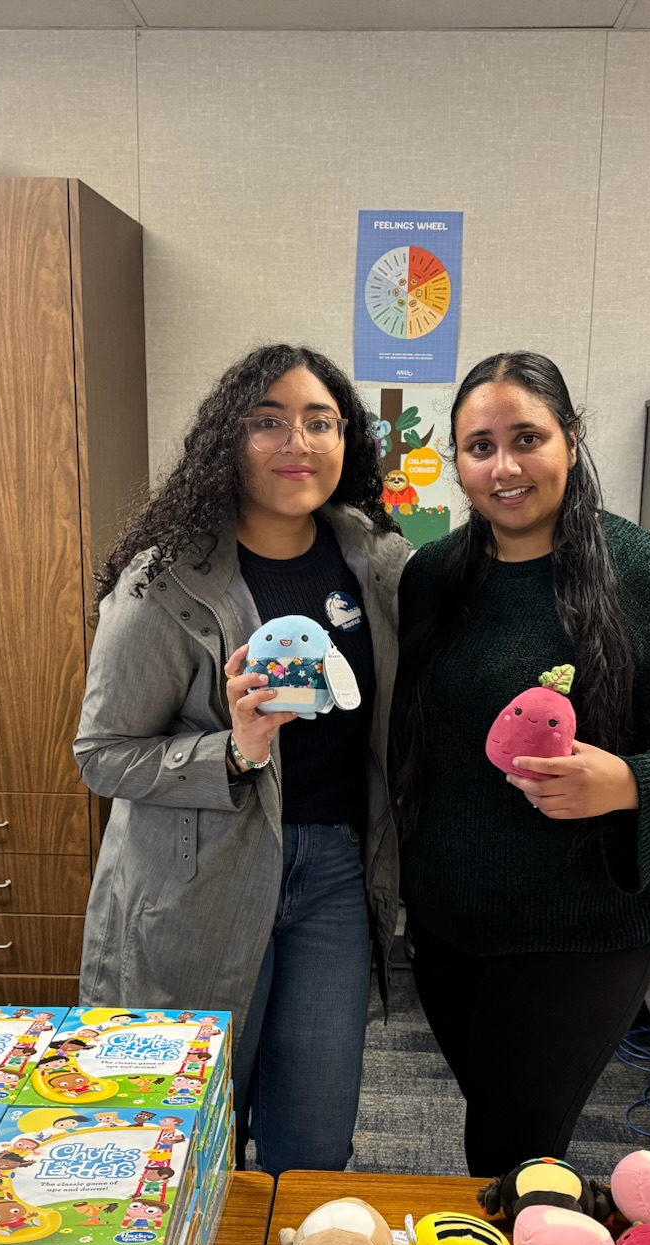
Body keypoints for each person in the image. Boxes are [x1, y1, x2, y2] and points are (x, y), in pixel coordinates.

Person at [393, 351, 650, 1178]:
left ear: (572, 437)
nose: (505, 466)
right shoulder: (434, 579)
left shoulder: (644, 576)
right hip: (451, 923)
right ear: (458, 462)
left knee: (511, 1144)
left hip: (582, 924)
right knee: (493, 1121)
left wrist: (626, 783)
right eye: (479, 447)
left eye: (528, 438)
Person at [75, 343, 411, 1174]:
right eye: (268, 422)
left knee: (312, 1139)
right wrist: (234, 749)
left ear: (350, 442)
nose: (297, 441)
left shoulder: (373, 560)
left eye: (320, 422)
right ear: (227, 440)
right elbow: (103, 754)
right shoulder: (164, 582)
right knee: (185, 1133)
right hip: (199, 878)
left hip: (332, 871)